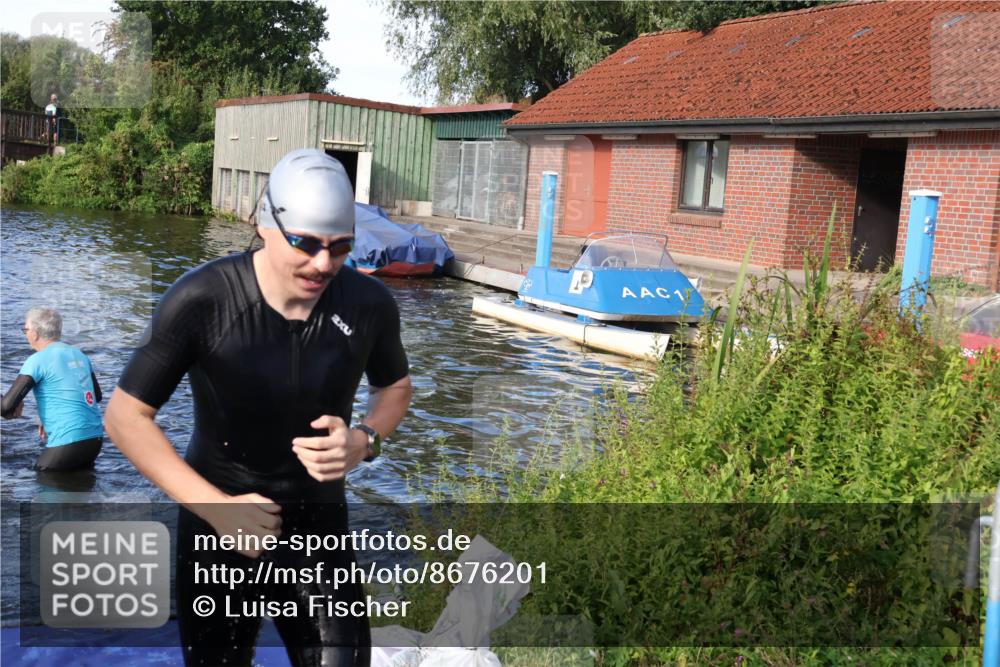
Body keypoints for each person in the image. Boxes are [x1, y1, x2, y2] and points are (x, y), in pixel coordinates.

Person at [104, 148, 413, 667]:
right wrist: (217, 508)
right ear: (265, 223)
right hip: (218, 528)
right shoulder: (202, 299)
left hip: (319, 531)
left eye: (340, 247)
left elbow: (396, 388)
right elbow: (125, 416)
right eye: (306, 244)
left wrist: (364, 441)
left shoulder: (367, 304)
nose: (323, 264)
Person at [1, 308, 104, 471]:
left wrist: (9, 407)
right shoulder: (79, 355)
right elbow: (95, 396)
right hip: (94, 441)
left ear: (35, 333)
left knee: (44, 488)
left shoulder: (37, 360)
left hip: (67, 442)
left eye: (25, 330)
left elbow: (6, 407)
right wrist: (47, 415)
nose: (25, 334)